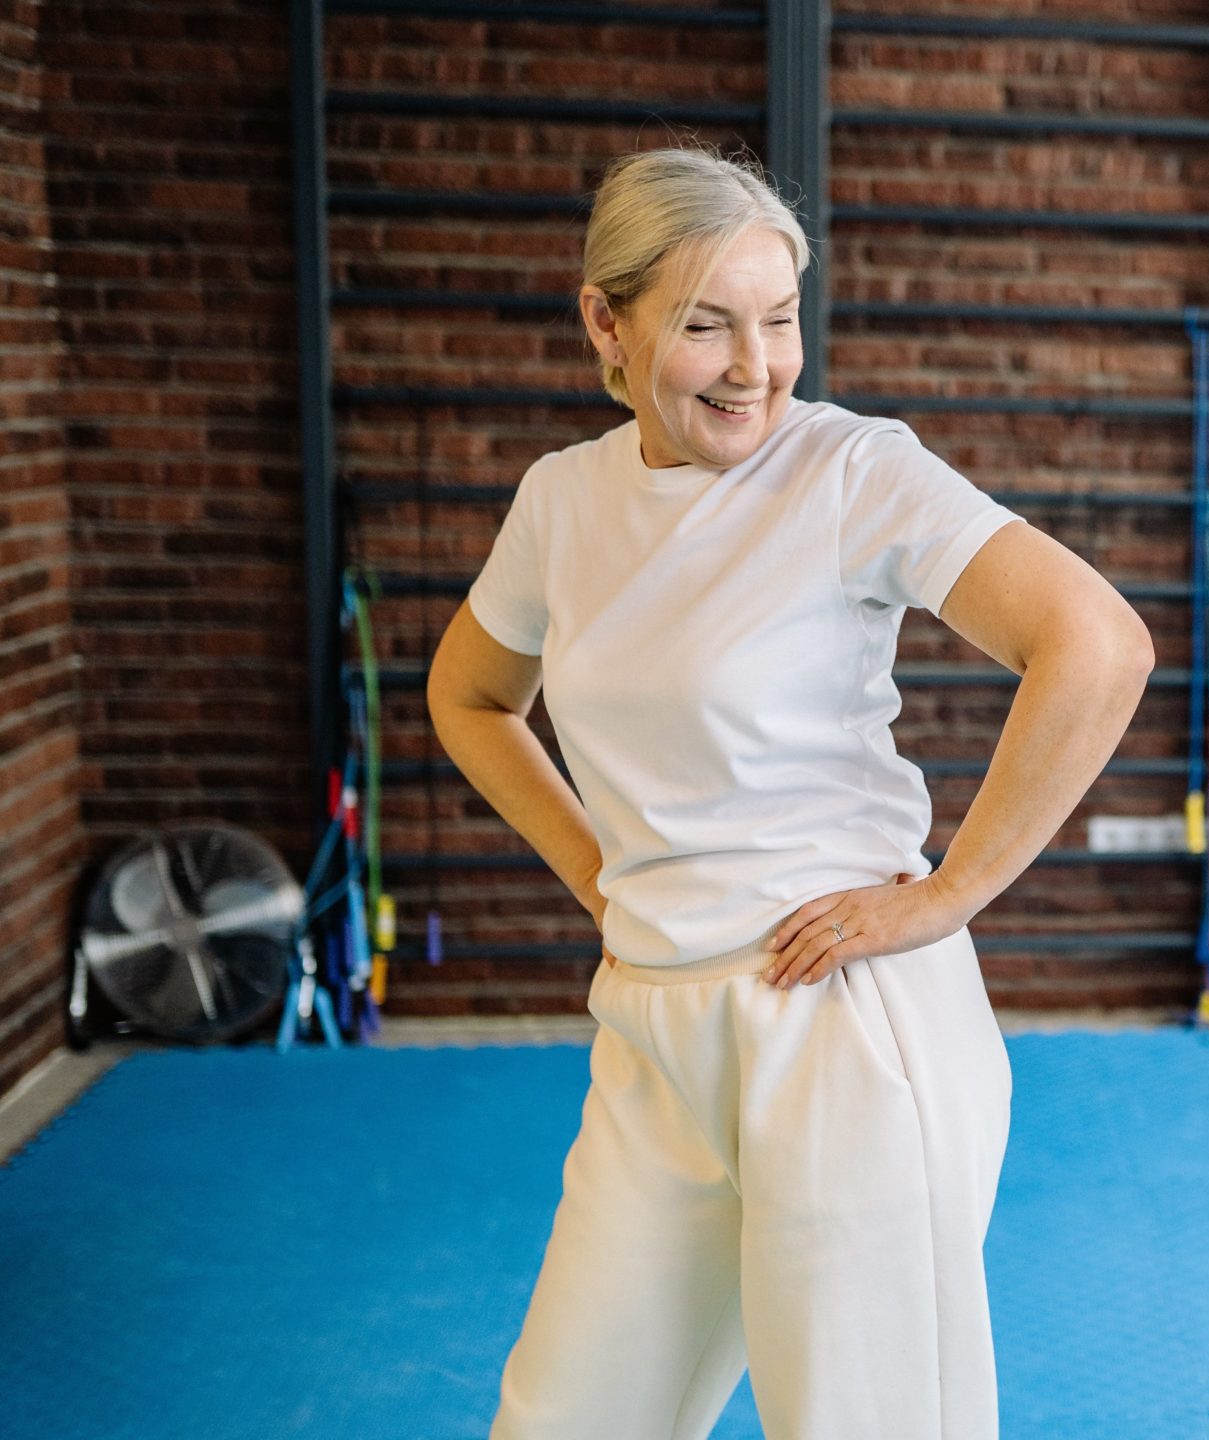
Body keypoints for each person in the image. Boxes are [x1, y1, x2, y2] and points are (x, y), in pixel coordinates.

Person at [427, 147, 1153, 1440]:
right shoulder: (562, 501)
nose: (756, 364)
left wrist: (949, 895)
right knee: (562, 1421)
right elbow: (470, 698)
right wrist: (600, 869)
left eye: (778, 320)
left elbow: (1096, 644)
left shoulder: (852, 470)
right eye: (707, 325)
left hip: (843, 1031)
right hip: (653, 1029)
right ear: (607, 318)